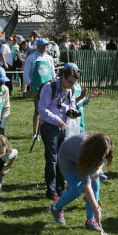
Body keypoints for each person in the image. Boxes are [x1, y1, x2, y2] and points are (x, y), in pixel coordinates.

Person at [49, 131, 113, 234]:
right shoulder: (84, 152)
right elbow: (86, 186)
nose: (104, 156)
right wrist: (96, 209)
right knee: (76, 190)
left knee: (95, 185)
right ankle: (56, 208)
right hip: (67, 159)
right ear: (95, 151)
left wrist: (97, 170)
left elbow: (103, 159)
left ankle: (90, 220)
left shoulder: (104, 144)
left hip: (84, 157)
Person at [37, 63, 79, 200]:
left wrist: (72, 112)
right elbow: (42, 109)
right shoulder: (50, 87)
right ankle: (51, 191)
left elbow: (71, 105)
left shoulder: (71, 90)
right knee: (52, 159)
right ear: (63, 76)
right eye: (69, 82)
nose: (71, 85)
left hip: (64, 127)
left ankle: (61, 189)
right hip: (49, 127)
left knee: (63, 159)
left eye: (73, 83)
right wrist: (56, 119)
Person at [28, 38, 55, 138]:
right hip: (37, 87)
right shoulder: (31, 58)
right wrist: (30, 83)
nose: (44, 47)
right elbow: (26, 73)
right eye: (43, 45)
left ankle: (45, 131)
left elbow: (52, 73)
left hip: (48, 87)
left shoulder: (49, 58)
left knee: (49, 109)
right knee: (37, 111)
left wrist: (53, 82)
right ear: (38, 46)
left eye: (45, 46)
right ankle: (35, 133)